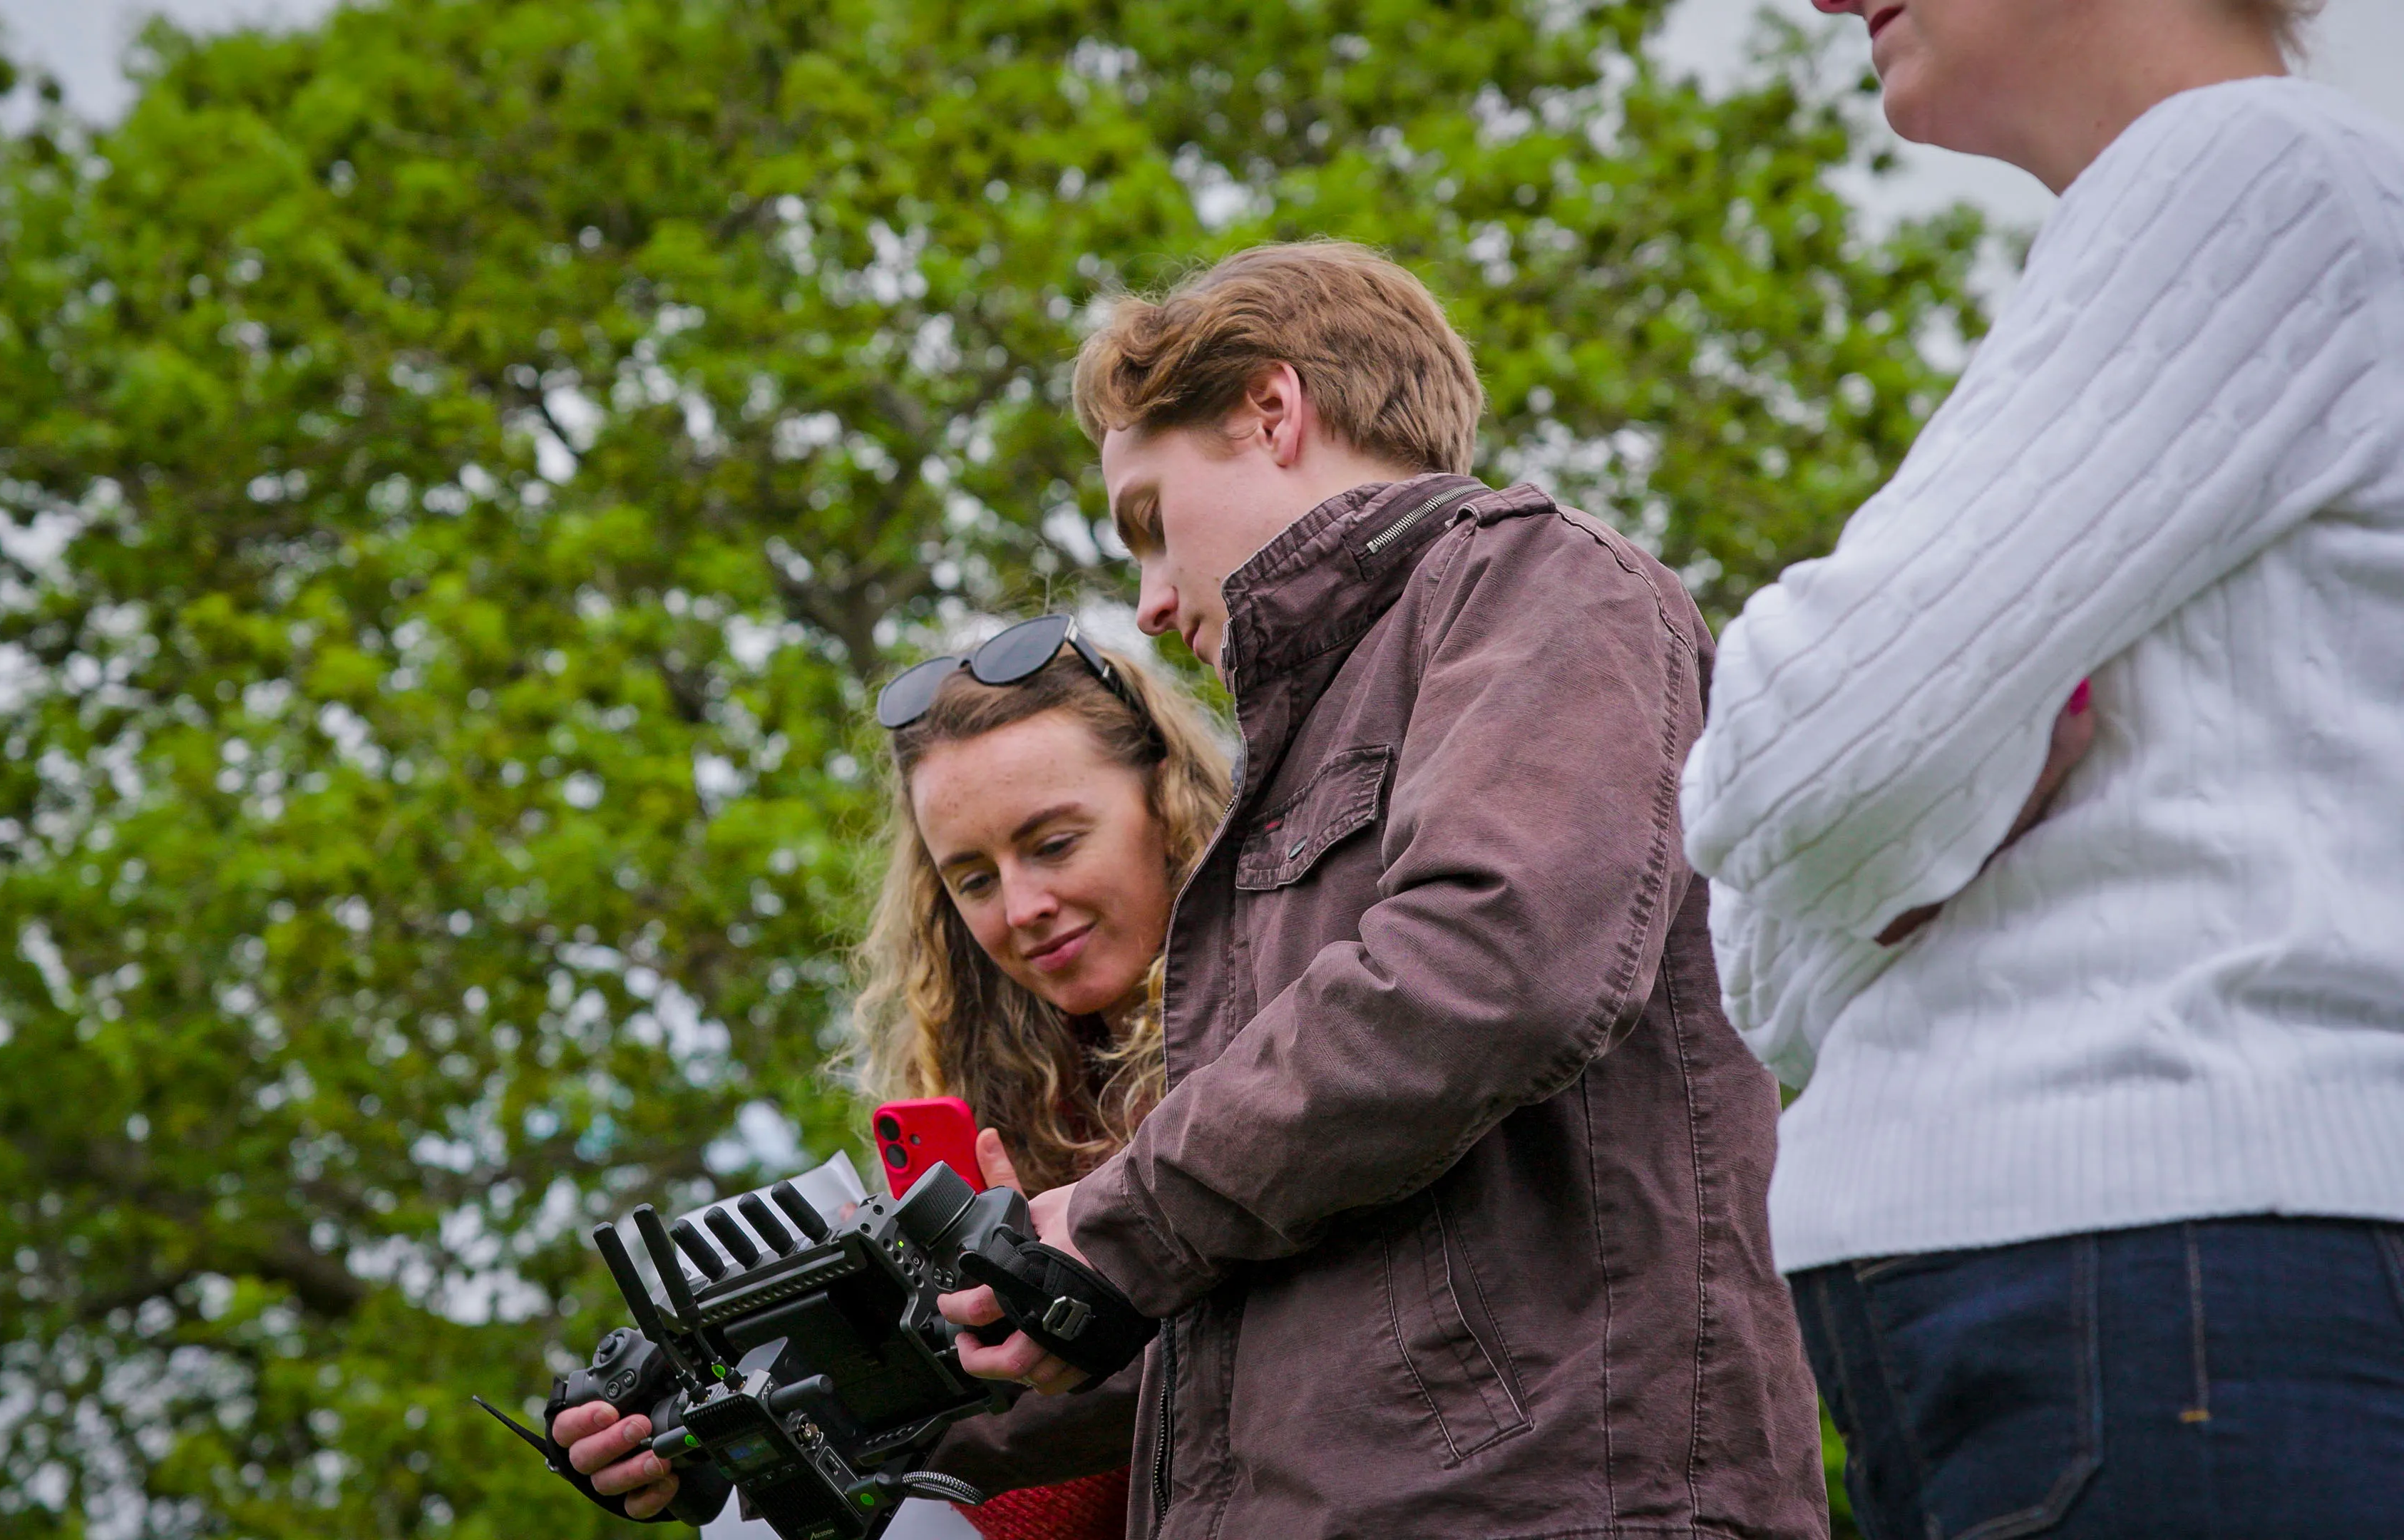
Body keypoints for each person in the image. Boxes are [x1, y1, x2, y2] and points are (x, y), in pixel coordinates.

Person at [939, 242, 1829, 1539]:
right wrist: (774, 1431)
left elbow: (1495, 960)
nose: (1152, 602)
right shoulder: (1294, 758)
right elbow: (1245, 1324)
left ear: (1271, 410)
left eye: (1149, 521)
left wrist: (1117, 1216)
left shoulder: (1537, 580)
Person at [1678, 0, 2404, 1531]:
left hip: (2161, 1270)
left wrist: (1874, 823)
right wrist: (1910, 806)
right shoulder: (2255, 209)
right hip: (2129, 1278)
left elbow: (1798, 756)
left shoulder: (2248, 173)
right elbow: (1755, 929)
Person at [551, 614, 1236, 1539]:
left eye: (1055, 843)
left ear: (1166, 797)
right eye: (974, 879)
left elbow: (1246, 1364)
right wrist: (701, 1441)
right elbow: (965, 1432)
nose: (1024, 908)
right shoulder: (992, 1097)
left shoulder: (1273, 1043)